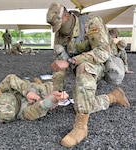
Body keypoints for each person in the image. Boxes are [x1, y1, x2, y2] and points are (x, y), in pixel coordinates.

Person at [46, 2, 130, 147]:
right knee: (80, 104)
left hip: (101, 65)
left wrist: (72, 61)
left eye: (59, 26)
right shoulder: (61, 34)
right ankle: (113, 97)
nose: (58, 31)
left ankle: (81, 128)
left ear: (66, 16)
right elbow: (59, 62)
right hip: (79, 66)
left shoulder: (92, 22)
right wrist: (57, 91)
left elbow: (102, 53)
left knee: (84, 68)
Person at [0, 74, 69, 123]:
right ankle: (39, 83)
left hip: (27, 87)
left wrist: (27, 92)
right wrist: (54, 99)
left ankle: (37, 83)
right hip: (41, 93)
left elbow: (10, 78)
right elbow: (41, 106)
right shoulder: (23, 113)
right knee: (56, 86)